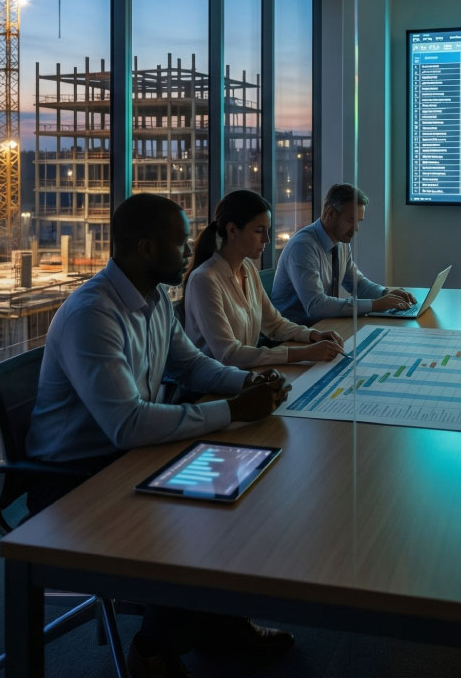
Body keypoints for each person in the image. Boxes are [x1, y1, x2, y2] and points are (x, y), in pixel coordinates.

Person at [26, 193, 293, 678]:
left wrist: (248, 383)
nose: (191, 246)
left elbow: (191, 364)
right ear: (147, 249)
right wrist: (232, 409)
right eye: (180, 240)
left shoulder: (150, 301)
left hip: (128, 455)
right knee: (199, 519)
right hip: (74, 478)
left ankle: (219, 625)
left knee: (243, 492)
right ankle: (151, 649)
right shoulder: (94, 314)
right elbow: (126, 424)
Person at [183, 189, 345, 368]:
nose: (267, 239)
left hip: (245, 375)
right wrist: (305, 353)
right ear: (232, 230)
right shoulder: (205, 280)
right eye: (259, 231)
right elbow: (228, 355)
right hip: (211, 389)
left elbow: (275, 324)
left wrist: (312, 335)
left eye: (267, 230)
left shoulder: (248, 269)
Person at [271, 183, 416, 325]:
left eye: (359, 221)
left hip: (320, 327)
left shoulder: (341, 243)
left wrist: (385, 294)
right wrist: (375, 305)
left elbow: (357, 283)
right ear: (330, 213)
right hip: (292, 335)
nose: (356, 228)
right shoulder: (303, 247)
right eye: (351, 220)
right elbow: (316, 306)